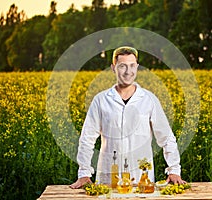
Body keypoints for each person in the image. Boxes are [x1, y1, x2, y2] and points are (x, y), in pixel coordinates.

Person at [70, 46, 186, 189]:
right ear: (113, 68)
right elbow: (87, 138)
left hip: (142, 178)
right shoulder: (100, 100)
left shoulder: (149, 99)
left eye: (132, 66)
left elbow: (166, 138)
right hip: (109, 178)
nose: (128, 71)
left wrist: (174, 170)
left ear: (137, 67)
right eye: (122, 66)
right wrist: (84, 173)